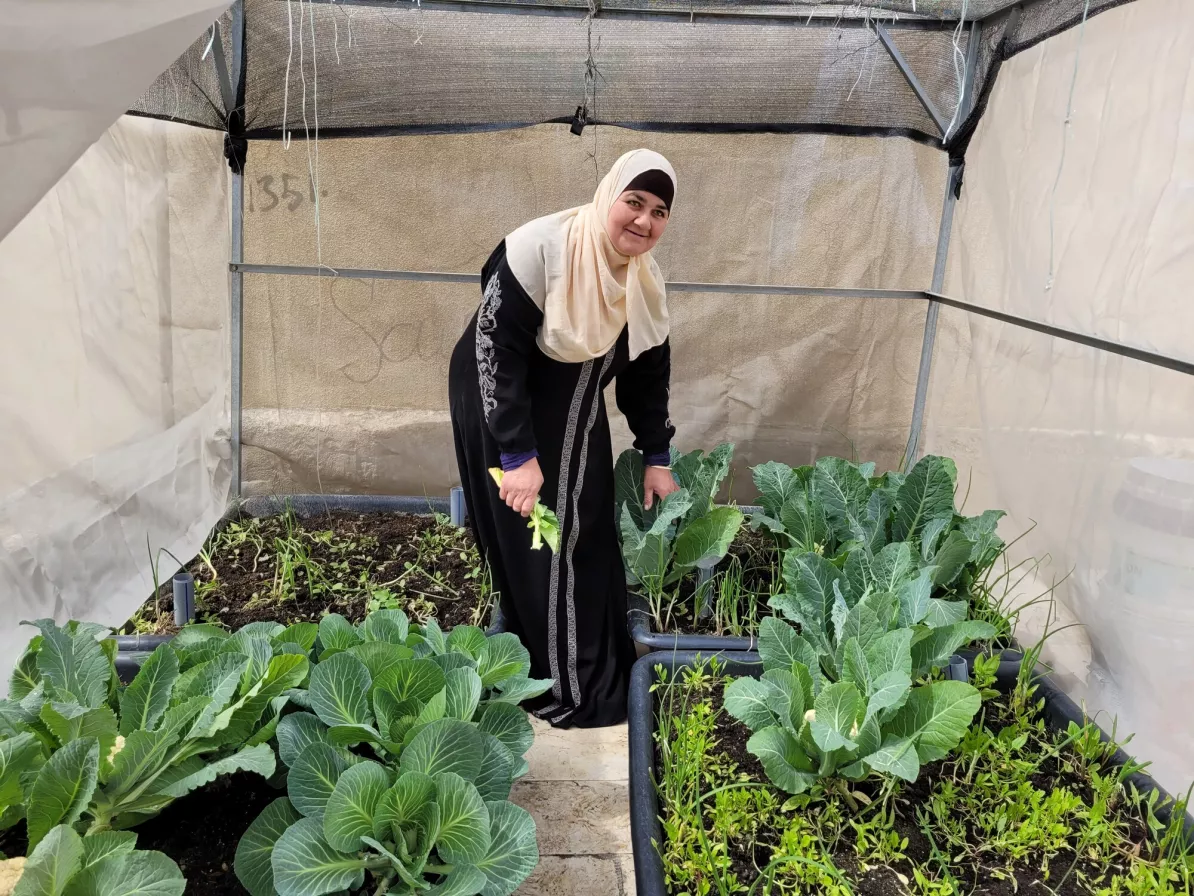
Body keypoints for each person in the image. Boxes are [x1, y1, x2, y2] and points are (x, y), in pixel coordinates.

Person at [448, 149, 680, 728]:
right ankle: (564, 685)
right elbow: (493, 350)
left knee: (588, 521)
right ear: (609, 197)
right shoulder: (541, 248)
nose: (644, 221)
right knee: (544, 535)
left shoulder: (642, 284)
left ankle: (595, 663)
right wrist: (517, 455)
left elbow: (649, 376)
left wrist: (656, 454)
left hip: (575, 403)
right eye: (633, 202)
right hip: (501, 400)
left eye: (659, 211)